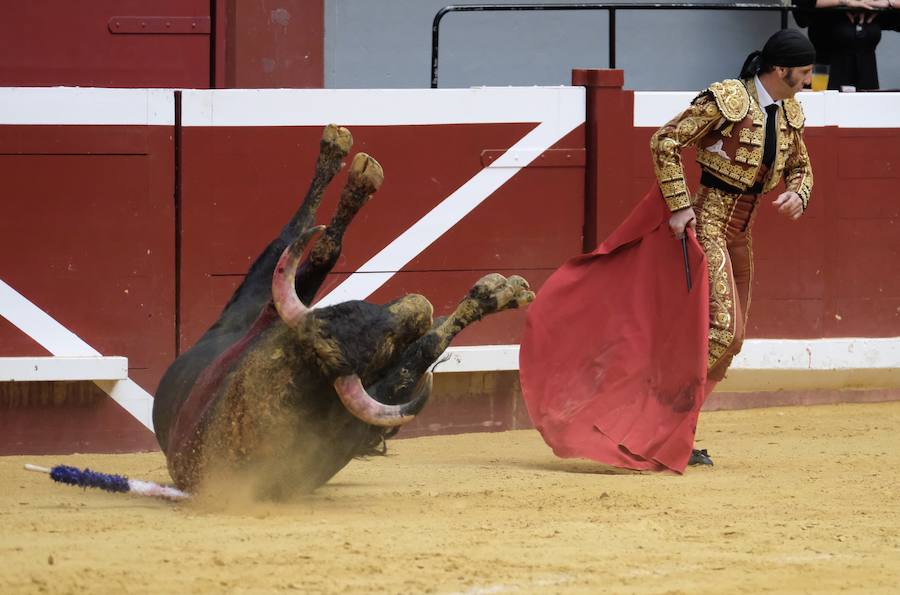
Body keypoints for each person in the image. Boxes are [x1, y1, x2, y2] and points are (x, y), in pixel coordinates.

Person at [518, 29, 815, 474]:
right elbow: (666, 141)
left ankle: (676, 431)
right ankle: (656, 427)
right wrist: (680, 207)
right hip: (710, 227)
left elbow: (801, 166)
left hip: (742, 237)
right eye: (806, 72)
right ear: (780, 69)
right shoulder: (728, 99)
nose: (810, 80)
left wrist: (799, 192)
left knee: (730, 343)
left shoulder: (789, 111)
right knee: (720, 333)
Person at [794, 0, 900, 90]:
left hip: (867, 83)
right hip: (829, 82)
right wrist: (844, 2)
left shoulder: (870, 6)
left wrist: (890, 2)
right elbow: (801, 5)